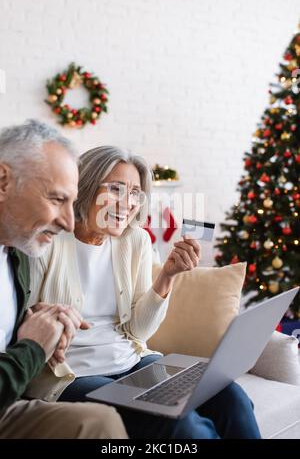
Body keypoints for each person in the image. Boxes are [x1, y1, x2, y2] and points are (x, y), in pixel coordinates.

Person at [28, 145, 261, 439]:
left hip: (133, 361)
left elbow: (138, 332)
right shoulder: (48, 239)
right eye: (116, 189)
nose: (128, 203)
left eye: (136, 193)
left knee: (230, 396)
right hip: (71, 374)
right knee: (180, 426)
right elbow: (23, 319)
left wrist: (167, 276)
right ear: (84, 186)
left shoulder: (135, 240)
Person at [0, 120, 127, 439]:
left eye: (72, 202)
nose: (70, 223)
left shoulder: (18, 254)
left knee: (101, 422)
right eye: (57, 199)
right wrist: (32, 347)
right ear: (3, 181)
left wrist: (45, 322)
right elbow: (24, 355)